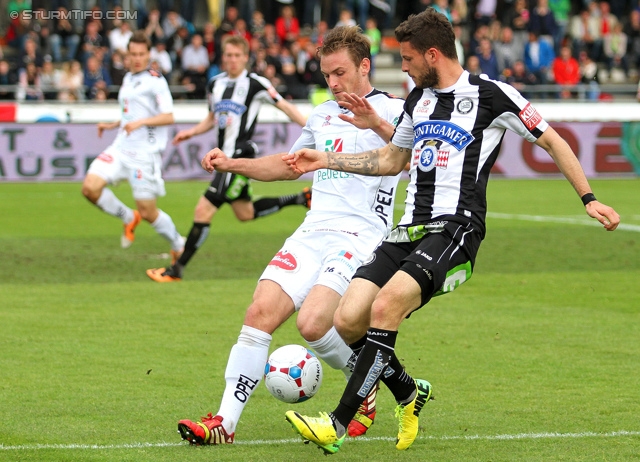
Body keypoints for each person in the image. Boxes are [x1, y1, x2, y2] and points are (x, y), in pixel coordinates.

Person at [283, 8, 620, 455]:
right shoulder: (416, 101)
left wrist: (588, 198)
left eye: (407, 58)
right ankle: (408, 393)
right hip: (407, 230)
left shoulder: (493, 95)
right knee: (347, 320)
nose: (402, 67)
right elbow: (391, 160)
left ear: (433, 54)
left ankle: (337, 423)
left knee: (384, 308)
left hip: (456, 229)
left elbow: (552, 140)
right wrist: (326, 160)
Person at [175, 25, 406, 446]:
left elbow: (407, 157)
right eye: (326, 76)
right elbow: (290, 165)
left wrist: (375, 123)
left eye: (339, 73)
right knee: (259, 312)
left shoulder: (394, 109)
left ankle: (363, 382)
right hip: (312, 230)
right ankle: (224, 424)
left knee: (314, 323)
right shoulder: (321, 114)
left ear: (365, 66)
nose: (332, 83)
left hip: (360, 234)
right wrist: (232, 164)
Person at [146, 35, 308, 283]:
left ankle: (176, 269)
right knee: (245, 213)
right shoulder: (215, 84)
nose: (232, 60)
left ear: (245, 57)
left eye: (237, 56)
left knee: (203, 209)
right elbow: (212, 118)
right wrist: (191, 132)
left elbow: (285, 106)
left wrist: (313, 128)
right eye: (228, 55)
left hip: (240, 156)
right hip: (224, 157)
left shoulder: (256, 83)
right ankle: (300, 198)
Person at [81, 31, 185, 258]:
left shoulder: (156, 82)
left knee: (148, 211)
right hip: (120, 147)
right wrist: (113, 124)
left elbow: (168, 116)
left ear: (148, 54)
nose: (137, 58)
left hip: (144, 154)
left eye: (141, 54)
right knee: (90, 187)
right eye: (133, 54)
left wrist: (141, 123)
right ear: (127, 55)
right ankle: (128, 216)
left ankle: (178, 244)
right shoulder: (128, 78)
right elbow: (132, 116)